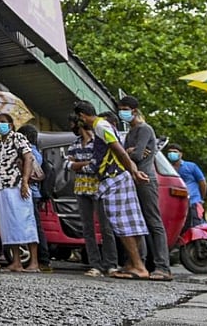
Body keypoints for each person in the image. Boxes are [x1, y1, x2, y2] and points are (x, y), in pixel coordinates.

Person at [72, 101, 150, 280]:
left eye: (78, 118)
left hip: (115, 178)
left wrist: (134, 171)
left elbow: (120, 151)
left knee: (122, 223)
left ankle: (138, 266)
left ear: (82, 116)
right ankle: (133, 264)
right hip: (117, 177)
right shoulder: (103, 125)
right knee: (129, 221)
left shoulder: (100, 126)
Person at [118, 96, 171, 281]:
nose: (122, 112)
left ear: (134, 110)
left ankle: (163, 266)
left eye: (124, 109)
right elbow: (124, 156)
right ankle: (139, 263)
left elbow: (138, 155)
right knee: (137, 223)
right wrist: (129, 153)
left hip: (146, 180)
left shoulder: (145, 129)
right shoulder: (131, 131)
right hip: (133, 180)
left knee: (153, 222)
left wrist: (130, 152)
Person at [64, 115, 117, 277]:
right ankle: (95, 264)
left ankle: (111, 263)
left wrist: (79, 166)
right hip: (81, 189)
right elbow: (67, 165)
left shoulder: (97, 143)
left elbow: (96, 165)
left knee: (106, 227)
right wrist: (85, 165)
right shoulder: (74, 145)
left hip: (99, 188)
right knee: (88, 229)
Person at [0, 114, 40, 272]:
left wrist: (25, 181)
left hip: (16, 185)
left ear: (11, 124)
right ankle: (16, 261)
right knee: (9, 225)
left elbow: (28, 158)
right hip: (1, 187)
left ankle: (34, 262)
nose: (0, 125)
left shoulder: (17, 137)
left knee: (25, 222)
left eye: (3, 122)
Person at [18, 124, 51, 271]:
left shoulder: (30, 152)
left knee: (34, 226)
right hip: (34, 193)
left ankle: (41, 259)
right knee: (34, 225)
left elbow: (29, 172)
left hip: (30, 192)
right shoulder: (37, 151)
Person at [165, 143, 207, 228]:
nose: (172, 154)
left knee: (196, 226)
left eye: (175, 152)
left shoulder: (191, 166)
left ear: (181, 154)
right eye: (170, 152)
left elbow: (203, 183)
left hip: (193, 202)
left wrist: (200, 198)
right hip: (176, 204)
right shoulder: (166, 168)